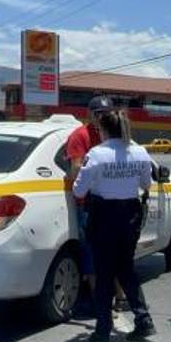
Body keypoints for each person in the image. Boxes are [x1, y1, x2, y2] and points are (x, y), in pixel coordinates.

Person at [72, 96, 156, 342]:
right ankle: (143, 320)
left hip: (103, 214)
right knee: (126, 268)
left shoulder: (96, 154)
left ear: (104, 129)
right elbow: (146, 184)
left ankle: (102, 331)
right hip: (130, 213)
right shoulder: (139, 151)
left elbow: (78, 191)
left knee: (104, 272)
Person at [66, 98, 128, 314]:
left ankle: (120, 297)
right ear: (89, 113)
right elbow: (75, 172)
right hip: (90, 204)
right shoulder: (80, 136)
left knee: (116, 252)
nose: (101, 116)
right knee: (93, 254)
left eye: (105, 112)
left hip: (115, 202)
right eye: (97, 112)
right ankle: (99, 302)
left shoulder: (114, 135)